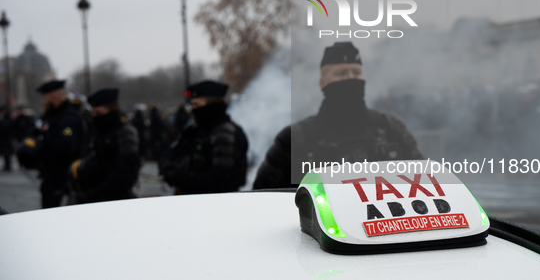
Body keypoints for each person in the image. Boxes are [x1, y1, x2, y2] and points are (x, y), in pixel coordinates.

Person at [253, 42, 424, 189]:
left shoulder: (390, 128)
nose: (350, 78)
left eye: (356, 73)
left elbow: (426, 181)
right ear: (323, 82)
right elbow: (263, 200)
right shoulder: (295, 139)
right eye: (341, 74)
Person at [159, 80, 248, 194]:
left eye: (197, 104)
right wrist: (169, 168)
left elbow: (223, 178)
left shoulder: (224, 132)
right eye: (192, 105)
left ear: (213, 104)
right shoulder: (193, 130)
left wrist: (183, 177)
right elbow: (170, 153)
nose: (193, 109)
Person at [69, 88, 140, 204]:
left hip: (115, 201)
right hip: (95, 198)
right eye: (93, 113)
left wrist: (92, 195)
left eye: (98, 113)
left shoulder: (125, 133)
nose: (94, 117)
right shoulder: (97, 132)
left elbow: (124, 175)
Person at [26, 80, 83, 208]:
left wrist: (40, 143)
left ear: (55, 98)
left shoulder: (68, 118)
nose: (42, 102)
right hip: (53, 178)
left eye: (45, 99)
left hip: (61, 181)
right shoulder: (55, 116)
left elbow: (66, 148)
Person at [0, 106, 13, 171]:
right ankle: (7, 165)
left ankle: (8, 165)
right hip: (4, 139)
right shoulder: (4, 118)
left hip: (6, 138)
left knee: (6, 153)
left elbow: (5, 127)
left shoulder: (7, 119)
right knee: (5, 153)